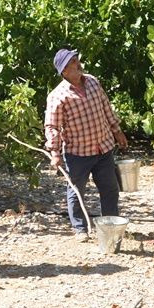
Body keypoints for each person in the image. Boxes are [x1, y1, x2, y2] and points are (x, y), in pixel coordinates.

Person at [44, 49, 128, 238]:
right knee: (76, 192)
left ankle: (111, 227)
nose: (78, 63)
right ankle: (80, 228)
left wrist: (117, 132)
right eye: (73, 62)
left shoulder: (92, 81)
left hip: (103, 147)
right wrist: (55, 152)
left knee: (110, 189)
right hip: (78, 153)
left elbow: (106, 108)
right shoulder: (58, 96)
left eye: (76, 60)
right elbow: (52, 126)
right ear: (64, 71)